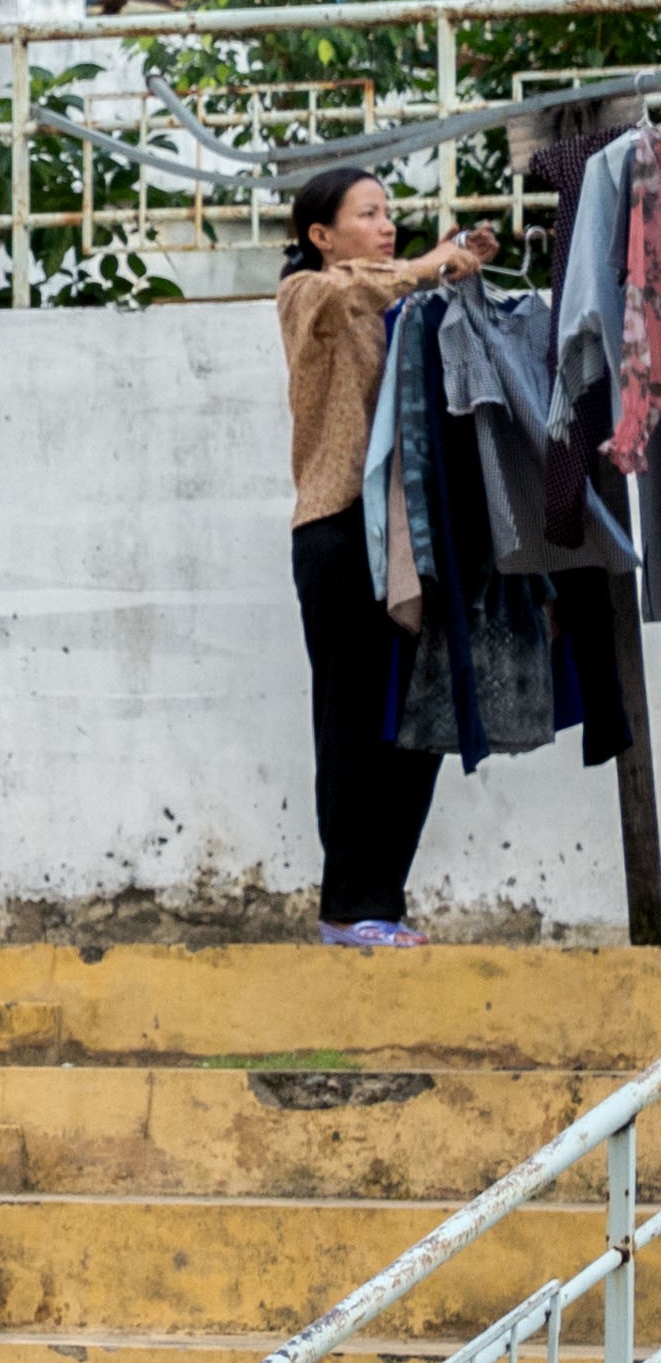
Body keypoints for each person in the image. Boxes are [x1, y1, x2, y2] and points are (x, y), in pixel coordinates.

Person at [279, 162, 493, 945]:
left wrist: (448, 269)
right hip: (337, 533)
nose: (384, 224)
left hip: (406, 540)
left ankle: (380, 903)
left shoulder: (399, 303)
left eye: (388, 212)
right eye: (367, 214)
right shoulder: (308, 296)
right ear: (321, 235)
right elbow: (350, 292)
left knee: (420, 718)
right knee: (351, 717)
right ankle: (347, 907)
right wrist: (424, 267)